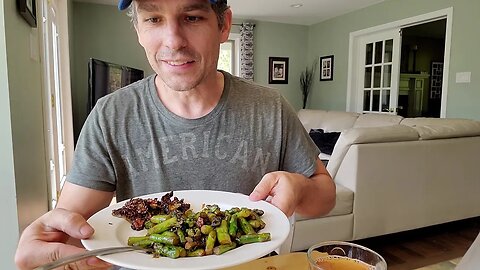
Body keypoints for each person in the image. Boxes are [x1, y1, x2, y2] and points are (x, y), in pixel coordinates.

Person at [15, 0, 336, 269]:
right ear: (139, 30)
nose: (173, 40)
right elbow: (75, 225)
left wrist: (301, 188)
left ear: (223, 25)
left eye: (192, 17)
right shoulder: (110, 114)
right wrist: (50, 247)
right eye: (153, 18)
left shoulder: (270, 107)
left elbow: (325, 197)